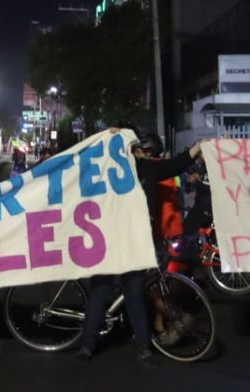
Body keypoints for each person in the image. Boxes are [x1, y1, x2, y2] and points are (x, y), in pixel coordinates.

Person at [75, 131, 203, 367]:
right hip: (107, 243)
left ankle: (144, 347)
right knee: (99, 293)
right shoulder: (99, 170)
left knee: (134, 294)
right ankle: (87, 345)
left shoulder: (145, 168)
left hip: (134, 242)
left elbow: (175, 165)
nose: (134, 152)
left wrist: (198, 148)